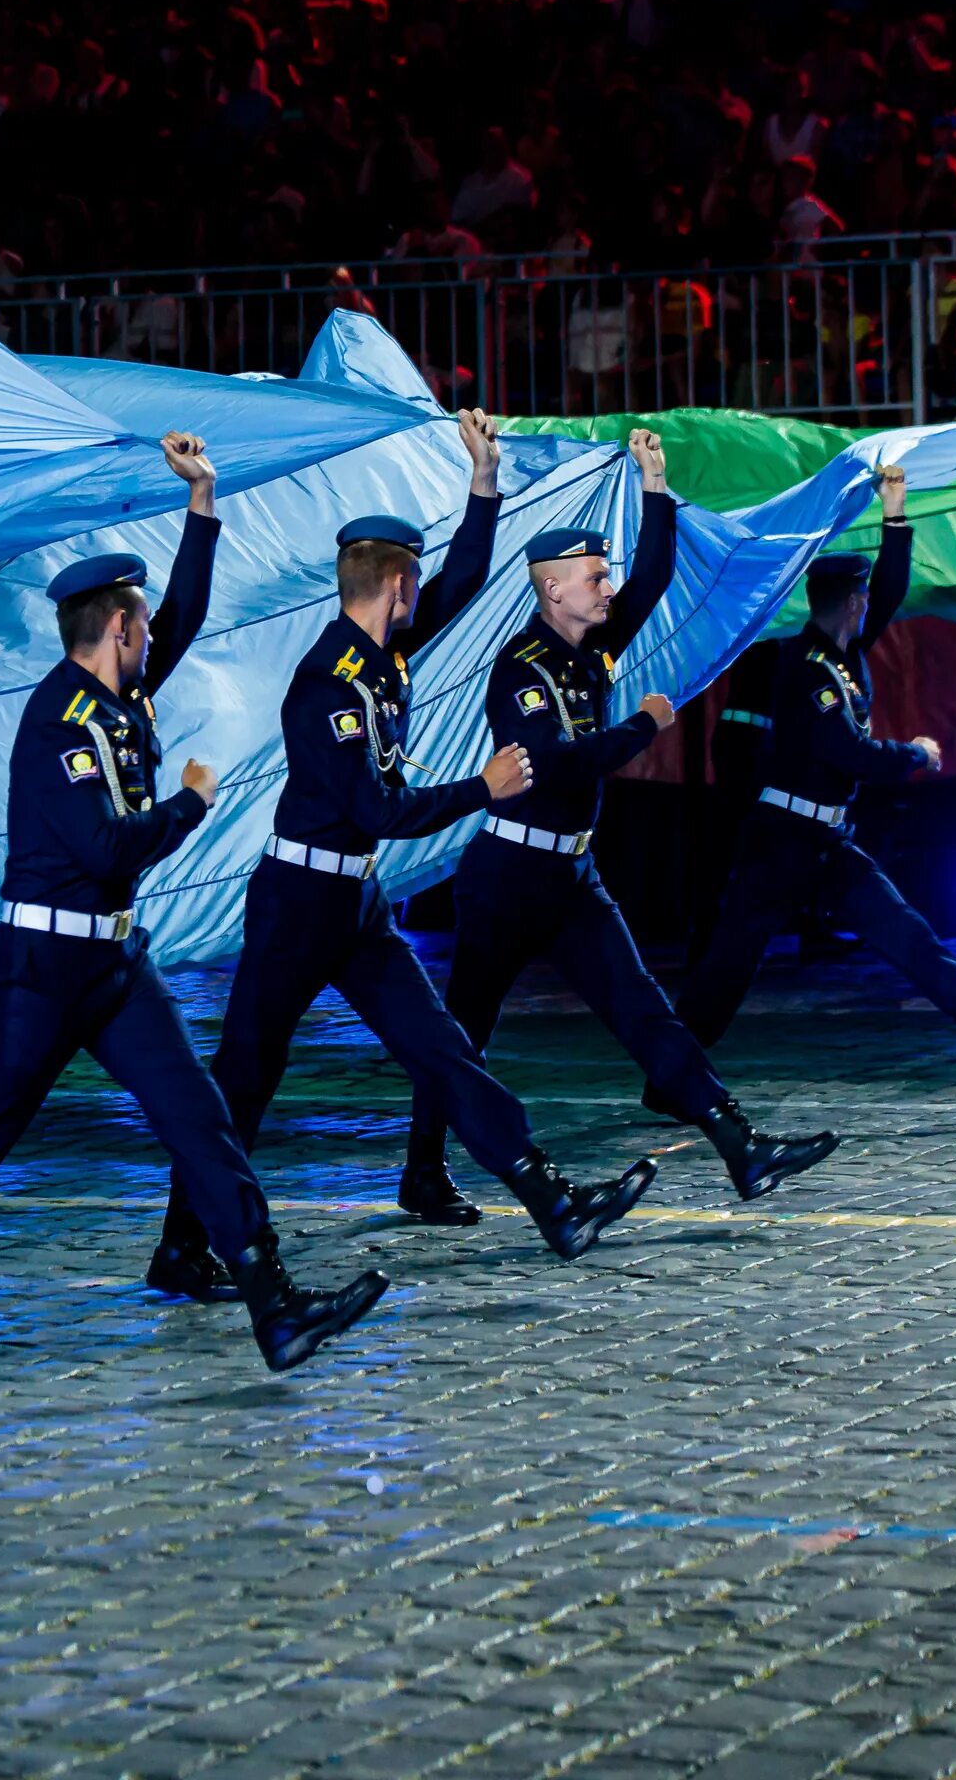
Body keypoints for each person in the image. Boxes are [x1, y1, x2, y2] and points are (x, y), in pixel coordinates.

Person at [0, 432, 390, 1383]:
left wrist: (203, 500)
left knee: (198, 1115)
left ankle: (274, 1306)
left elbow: (192, 610)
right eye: (142, 624)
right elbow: (103, 848)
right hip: (43, 970)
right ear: (118, 628)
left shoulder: (122, 697)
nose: (154, 635)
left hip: (117, 964)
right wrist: (191, 804)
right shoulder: (61, 723)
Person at [136, 411, 655, 1294]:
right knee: (246, 1079)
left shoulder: (384, 659)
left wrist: (482, 483)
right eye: (417, 582)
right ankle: (183, 1248)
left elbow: (461, 585)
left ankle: (547, 1200)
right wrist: (477, 793)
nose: (425, 597)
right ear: (397, 583)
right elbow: (374, 809)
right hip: (299, 904)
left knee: (442, 1049)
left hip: (357, 906)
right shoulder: (328, 685)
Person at [405, 430, 841, 1204]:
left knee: (643, 1010)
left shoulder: (589, 655)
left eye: (605, 576)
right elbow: (562, 761)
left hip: (568, 870)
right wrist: (643, 725)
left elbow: (656, 574)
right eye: (594, 578)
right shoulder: (523, 668)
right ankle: (424, 1172)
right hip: (508, 875)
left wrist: (656, 484)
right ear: (554, 590)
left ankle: (741, 1147)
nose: (608, 590)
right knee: (462, 1031)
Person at [678, 466, 956, 1073]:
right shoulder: (807, 666)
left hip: (823, 838)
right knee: (730, 964)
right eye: (865, 600)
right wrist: (916, 752)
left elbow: (889, 588)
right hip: (782, 840)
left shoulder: (846, 652)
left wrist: (895, 515)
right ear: (851, 603)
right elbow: (850, 754)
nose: (874, 606)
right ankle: (673, 1073)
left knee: (907, 935)